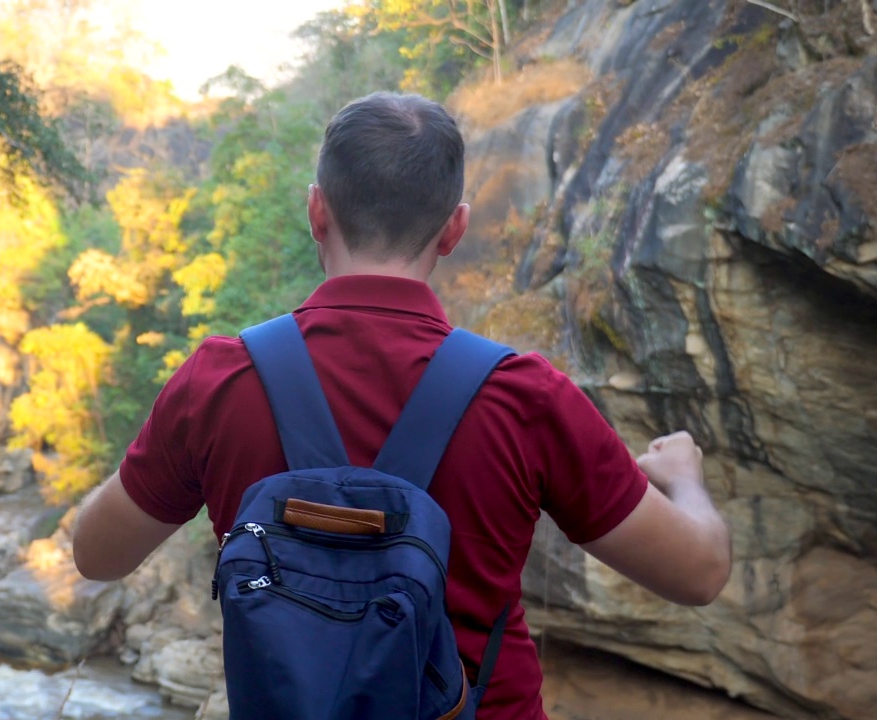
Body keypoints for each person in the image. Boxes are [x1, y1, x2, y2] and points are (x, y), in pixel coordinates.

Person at [70, 91, 732, 719]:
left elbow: (96, 555)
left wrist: (167, 441)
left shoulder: (218, 381)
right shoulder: (525, 397)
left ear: (316, 212)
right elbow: (699, 573)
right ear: (454, 229)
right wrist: (684, 482)